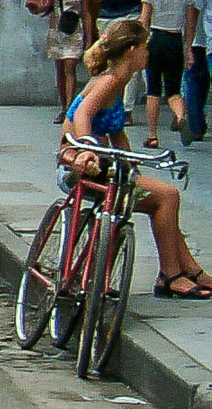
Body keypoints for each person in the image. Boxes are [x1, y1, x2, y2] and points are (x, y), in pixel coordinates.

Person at [59, 20, 212, 299]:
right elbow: (83, 115)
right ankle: (171, 275)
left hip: (103, 167)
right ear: (132, 50)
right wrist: (87, 147)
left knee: (161, 196)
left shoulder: (120, 81)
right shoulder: (109, 81)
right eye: (145, 47)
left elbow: (117, 133)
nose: (148, 53)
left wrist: (135, 169)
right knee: (167, 196)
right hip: (81, 165)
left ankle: (187, 269)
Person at [83, 0, 148, 119]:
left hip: (131, 15)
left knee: (130, 62)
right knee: (107, 59)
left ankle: (126, 108)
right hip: (107, 16)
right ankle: (104, 101)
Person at [140, 0, 193, 147]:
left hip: (156, 39)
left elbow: (143, 23)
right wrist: (188, 48)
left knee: (153, 90)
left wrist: (141, 46)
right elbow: (189, 24)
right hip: (174, 41)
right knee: (173, 90)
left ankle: (153, 135)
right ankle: (180, 116)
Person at [46, 0, 91, 124]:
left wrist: (89, 38)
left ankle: (69, 108)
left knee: (70, 68)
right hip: (56, 30)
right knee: (60, 70)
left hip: (74, 31)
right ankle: (62, 103)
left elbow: (86, 13)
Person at [179, 0, 212, 143]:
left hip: (202, 40)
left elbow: (192, 12)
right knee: (203, 82)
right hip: (206, 41)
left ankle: (194, 123)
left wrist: (187, 43)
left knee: (192, 80)